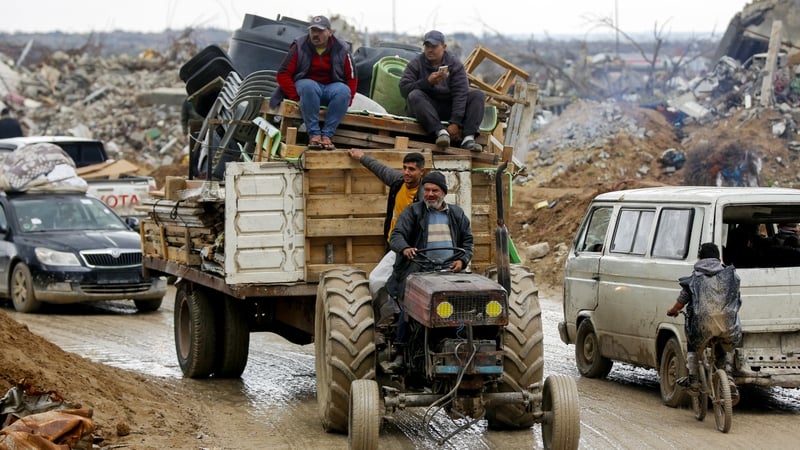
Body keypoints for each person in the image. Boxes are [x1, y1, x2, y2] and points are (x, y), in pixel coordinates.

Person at [386, 171, 474, 368]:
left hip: (449, 272)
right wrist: (405, 248)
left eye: (435, 190)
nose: (430, 194)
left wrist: (462, 261)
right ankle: (401, 351)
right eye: (427, 190)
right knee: (409, 307)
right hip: (418, 270)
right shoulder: (413, 212)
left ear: (443, 192)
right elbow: (397, 235)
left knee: (461, 306)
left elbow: (468, 242)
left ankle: (460, 343)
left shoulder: (457, 214)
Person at [348, 149, 426, 323]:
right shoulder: (399, 183)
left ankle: (399, 317)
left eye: (412, 169)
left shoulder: (424, 195)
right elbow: (381, 169)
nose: (406, 172)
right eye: (404, 168)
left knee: (403, 286)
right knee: (376, 281)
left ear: (422, 172)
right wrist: (361, 157)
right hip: (397, 247)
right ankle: (391, 317)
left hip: (414, 251)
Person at [269, 15, 357, 151]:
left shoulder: (341, 49)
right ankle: (314, 135)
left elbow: (352, 77)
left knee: (343, 91)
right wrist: (296, 97)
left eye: (320, 31)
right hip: (306, 87)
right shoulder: (300, 45)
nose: (316, 34)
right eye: (313, 31)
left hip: (330, 88)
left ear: (329, 32)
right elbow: (282, 74)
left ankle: (327, 135)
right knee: (309, 86)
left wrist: (347, 100)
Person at [667, 242, 742, 394]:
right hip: (727, 325)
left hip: (702, 327)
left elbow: (681, 302)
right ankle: (728, 377)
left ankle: (693, 379)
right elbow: (736, 300)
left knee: (692, 343)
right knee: (723, 344)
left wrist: (672, 311)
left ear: (700, 257)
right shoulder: (731, 276)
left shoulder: (694, 278)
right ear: (718, 257)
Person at [398, 30, 486, 152]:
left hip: (448, 108)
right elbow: (404, 89)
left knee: (478, 95)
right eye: (427, 46)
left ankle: (468, 138)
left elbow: (460, 93)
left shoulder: (455, 64)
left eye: (434, 46)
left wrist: (455, 122)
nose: (430, 50)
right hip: (427, 111)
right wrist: (427, 83)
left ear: (443, 47)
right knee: (414, 95)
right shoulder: (416, 63)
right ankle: (440, 132)